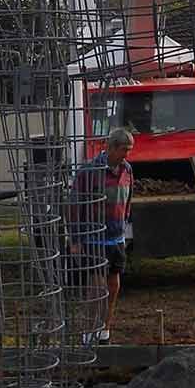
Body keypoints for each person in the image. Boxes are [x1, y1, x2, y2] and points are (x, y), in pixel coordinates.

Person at [71, 126, 134, 343]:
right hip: (93, 237)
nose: (128, 154)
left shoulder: (127, 170)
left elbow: (128, 199)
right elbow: (74, 206)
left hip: (116, 237)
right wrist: (76, 239)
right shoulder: (88, 173)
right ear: (112, 148)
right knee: (96, 288)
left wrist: (124, 225)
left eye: (129, 150)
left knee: (113, 286)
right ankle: (89, 330)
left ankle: (105, 330)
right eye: (125, 149)